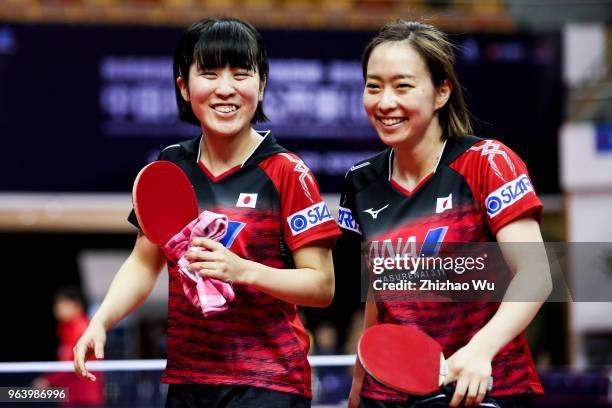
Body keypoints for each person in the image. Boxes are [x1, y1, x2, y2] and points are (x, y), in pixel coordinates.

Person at [74, 17, 341, 407]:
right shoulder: (171, 167)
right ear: (184, 87)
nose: (225, 88)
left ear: (262, 84)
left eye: (241, 73)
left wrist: (242, 270)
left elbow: (322, 286)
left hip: (268, 381)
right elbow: (144, 263)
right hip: (189, 379)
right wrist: (101, 321)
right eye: (210, 73)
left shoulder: (287, 171)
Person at [338, 20, 552, 408]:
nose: (385, 101)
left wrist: (480, 350)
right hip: (389, 395)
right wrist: (360, 380)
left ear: (441, 92)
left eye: (402, 86)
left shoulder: (487, 162)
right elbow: (379, 294)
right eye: (373, 86)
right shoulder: (361, 180)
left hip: (483, 388)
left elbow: (536, 274)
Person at [34, 287, 104, 406]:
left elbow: (70, 362)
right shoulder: (66, 328)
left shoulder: (80, 329)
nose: (57, 308)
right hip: (71, 395)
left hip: (83, 397)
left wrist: (47, 380)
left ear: (77, 305)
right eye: (56, 304)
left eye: (63, 304)